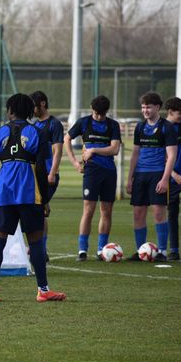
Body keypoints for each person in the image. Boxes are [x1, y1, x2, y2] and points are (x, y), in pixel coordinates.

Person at [0, 93, 66, 303]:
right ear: (30, 111)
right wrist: (45, 198)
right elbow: (40, 168)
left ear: (10, 110)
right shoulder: (37, 133)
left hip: (3, 194)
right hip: (29, 193)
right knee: (36, 242)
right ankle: (43, 289)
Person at [64, 95, 121, 261]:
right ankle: (82, 250)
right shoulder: (84, 122)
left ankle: (101, 249)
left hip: (109, 171)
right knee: (88, 210)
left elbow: (114, 149)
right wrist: (75, 162)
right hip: (91, 172)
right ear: (92, 109)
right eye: (96, 114)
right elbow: (67, 138)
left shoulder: (113, 125)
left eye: (102, 114)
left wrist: (94, 150)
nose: (99, 117)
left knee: (107, 211)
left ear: (106, 112)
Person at [126, 92, 177, 261]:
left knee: (158, 213)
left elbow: (171, 156)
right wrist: (129, 178)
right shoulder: (140, 127)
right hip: (140, 175)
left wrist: (164, 179)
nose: (145, 110)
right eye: (142, 107)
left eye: (148, 107)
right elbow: (134, 154)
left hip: (158, 174)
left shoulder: (167, 127)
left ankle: (162, 251)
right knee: (138, 214)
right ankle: (141, 251)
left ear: (157, 107)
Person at [30, 91, 64, 262]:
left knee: (39, 211)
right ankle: (39, 249)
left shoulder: (54, 124)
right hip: (36, 175)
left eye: (34, 106)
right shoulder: (35, 126)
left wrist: (53, 172)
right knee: (39, 211)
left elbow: (58, 150)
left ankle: (40, 250)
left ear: (42, 104)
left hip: (48, 175)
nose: (32, 110)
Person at [164, 97, 181, 260]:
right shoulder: (163, 128)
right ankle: (174, 250)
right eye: (179, 113)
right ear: (170, 112)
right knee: (172, 215)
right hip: (173, 179)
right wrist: (175, 175)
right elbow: (162, 157)